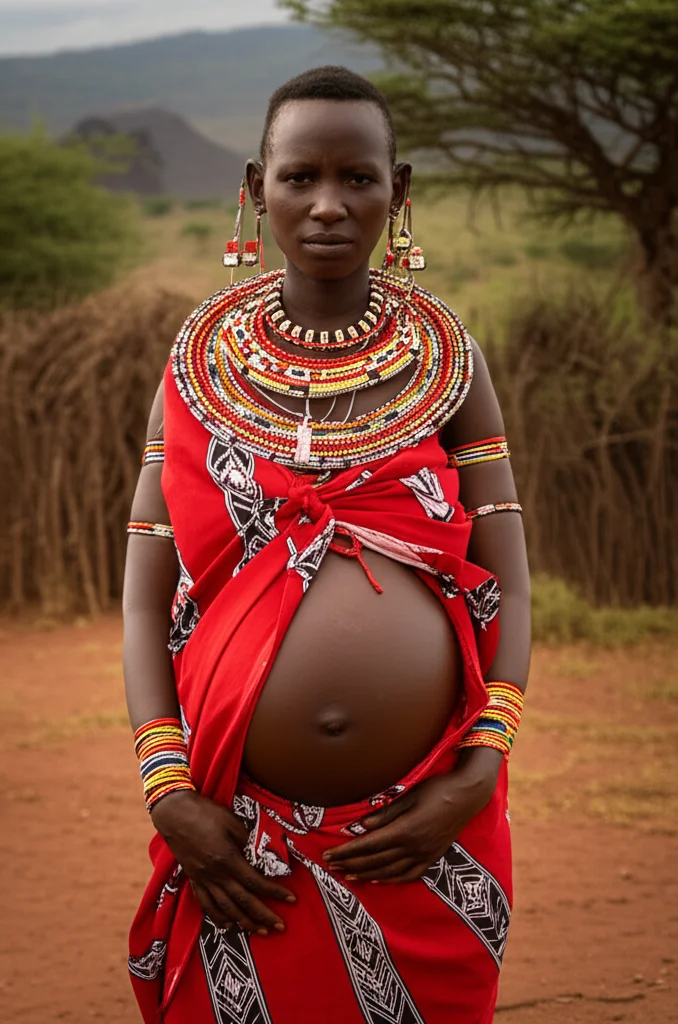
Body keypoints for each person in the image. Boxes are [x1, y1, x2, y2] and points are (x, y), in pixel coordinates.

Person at [123, 65, 531, 1024]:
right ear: (256, 186)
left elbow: (508, 582)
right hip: (233, 831)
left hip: (423, 826)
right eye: (301, 177)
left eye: (360, 178)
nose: (329, 206)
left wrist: (476, 774)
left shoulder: (450, 363)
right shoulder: (196, 366)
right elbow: (146, 596)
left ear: (402, 190)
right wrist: (167, 792)